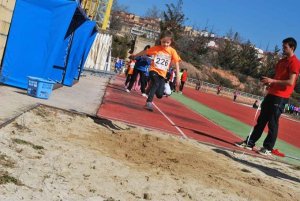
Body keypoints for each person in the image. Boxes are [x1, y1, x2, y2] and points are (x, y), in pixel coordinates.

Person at [235, 37, 300, 156]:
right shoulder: (281, 61)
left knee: (272, 122)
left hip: (281, 97)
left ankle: (268, 148)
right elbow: (278, 78)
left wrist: (272, 81)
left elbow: (291, 82)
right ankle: (250, 142)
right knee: (261, 121)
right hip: (271, 94)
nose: (283, 49)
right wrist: (269, 83)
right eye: (282, 46)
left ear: (292, 48)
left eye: (285, 47)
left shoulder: (294, 62)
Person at [130, 30, 181, 111]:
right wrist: (135, 55)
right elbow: (145, 52)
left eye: (167, 42)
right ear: (160, 40)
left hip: (162, 74)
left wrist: (178, 78)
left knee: (159, 95)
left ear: (171, 42)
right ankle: (148, 102)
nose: (165, 44)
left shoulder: (172, 51)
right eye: (163, 42)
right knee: (156, 82)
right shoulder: (156, 48)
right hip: (153, 70)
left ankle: (155, 88)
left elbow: (177, 63)